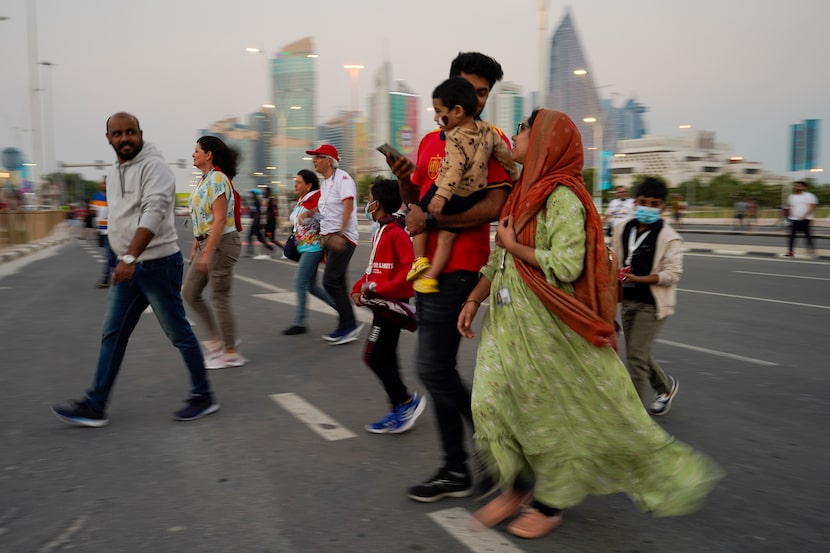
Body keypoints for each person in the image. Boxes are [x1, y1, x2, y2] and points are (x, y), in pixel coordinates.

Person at [458, 109, 722, 539]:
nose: (518, 134)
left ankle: (548, 503)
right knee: (490, 406)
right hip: (505, 328)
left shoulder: (563, 197)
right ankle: (517, 486)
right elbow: (497, 257)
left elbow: (566, 264)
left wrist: (513, 246)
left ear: (546, 140)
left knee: (550, 421)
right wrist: (474, 297)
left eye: (524, 129)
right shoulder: (521, 190)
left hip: (547, 333)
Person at [385, 52, 513, 502]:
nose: (475, 102)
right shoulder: (429, 141)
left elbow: (496, 206)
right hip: (432, 270)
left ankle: (488, 459)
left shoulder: (485, 138)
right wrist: (403, 180)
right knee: (436, 369)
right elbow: (416, 201)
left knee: (433, 369)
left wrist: (436, 223)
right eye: (470, 91)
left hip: (464, 265)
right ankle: (462, 466)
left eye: (483, 94)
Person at [51, 112, 219, 427]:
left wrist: (128, 258)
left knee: (179, 333)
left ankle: (204, 395)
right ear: (109, 139)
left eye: (130, 132)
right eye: (118, 134)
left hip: (156, 265)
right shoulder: (115, 171)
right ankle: (96, 404)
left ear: (140, 133)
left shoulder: (155, 167)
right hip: (127, 266)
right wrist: (122, 258)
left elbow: (153, 212)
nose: (125, 138)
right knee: (112, 334)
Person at [407, 77, 519, 294]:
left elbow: (455, 168)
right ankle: (431, 277)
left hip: (452, 191)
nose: (436, 117)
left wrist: (441, 196)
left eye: (439, 112)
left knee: (419, 212)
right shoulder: (489, 131)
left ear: (457, 111)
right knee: (447, 235)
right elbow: (505, 156)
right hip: (473, 194)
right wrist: (515, 177)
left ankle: (420, 260)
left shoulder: (454, 136)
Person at [351, 177, 426, 433]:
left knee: (373, 356)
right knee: (385, 356)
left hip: (391, 304)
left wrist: (379, 289)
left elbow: (408, 269)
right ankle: (401, 404)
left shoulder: (395, 231)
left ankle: (404, 402)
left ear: (378, 204)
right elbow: (375, 269)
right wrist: (358, 287)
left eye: (369, 200)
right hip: (381, 303)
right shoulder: (381, 231)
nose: (367, 204)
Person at [613, 177, 682, 415]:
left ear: (662, 206)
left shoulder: (669, 236)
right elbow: (615, 263)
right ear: (635, 202)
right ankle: (665, 388)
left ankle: (635, 420)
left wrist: (639, 279)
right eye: (643, 202)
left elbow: (672, 274)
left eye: (654, 204)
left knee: (635, 359)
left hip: (652, 305)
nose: (648, 207)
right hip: (629, 301)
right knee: (637, 353)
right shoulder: (623, 228)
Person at [182, 135, 246, 370]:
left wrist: (207, 251)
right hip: (206, 243)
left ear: (208, 155)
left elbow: (220, 220)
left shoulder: (218, 179)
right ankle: (216, 341)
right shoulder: (205, 180)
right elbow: (204, 217)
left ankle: (230, 352)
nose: (193, 154)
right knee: (190, 293)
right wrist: (197, 242)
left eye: (196, 150)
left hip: (221, 244)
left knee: (220, 298)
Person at [301, 144, 362, 345]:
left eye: (317, 157)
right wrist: (310, 214)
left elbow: (348, 206)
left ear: (329, 160)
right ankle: (346, 324)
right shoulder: (326, 183)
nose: (314, 161)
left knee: (330, 281)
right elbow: (325, 207)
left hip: (342, 238)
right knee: (338, 281)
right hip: (329, 237)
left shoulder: (342, 178)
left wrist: (340, 234)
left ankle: (349, 325)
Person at [282, 169, 337, 335]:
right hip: (304, 247)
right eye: (295, 182)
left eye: (299, 182)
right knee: (312, 287)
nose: (295, 185)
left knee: (300, 282)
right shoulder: (301, 200)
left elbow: (325, 217)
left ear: (309, 185)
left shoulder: (317, 199)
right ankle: (344, 310)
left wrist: (312, 213)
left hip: (313, 247)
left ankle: (300, 323)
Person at [91, 177, 117, 288]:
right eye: (102, 183)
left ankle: (106, 279)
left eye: (105, 183)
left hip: (113, 230)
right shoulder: (96, 197)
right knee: (111, 255)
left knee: (109, 255)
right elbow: (93, 212)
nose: (103, 185)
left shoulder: (116, 196)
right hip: (102, 230)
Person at [785, 180, 818, 256]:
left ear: (804, 187)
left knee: (807, 235)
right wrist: (789, 215)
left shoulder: (809, 196)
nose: (798, 187)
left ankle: (811, 250)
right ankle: (791, 251)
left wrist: (805, 215)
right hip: (794, 219)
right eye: (796, 186)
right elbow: (790, 206)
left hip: (805, 219)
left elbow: (812, 206)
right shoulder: (792, 196)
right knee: (792, 235)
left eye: (800, 186)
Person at [247, 190, 274, 259]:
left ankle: (269, 247)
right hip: (255, 222)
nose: (251, 196)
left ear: (256, 195)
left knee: (259, 238)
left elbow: (259, 213)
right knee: (252, 236)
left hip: (256, 222)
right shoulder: (254, 202)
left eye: (252, 194)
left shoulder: (258, 202)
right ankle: (250, 251)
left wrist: (258, 222)